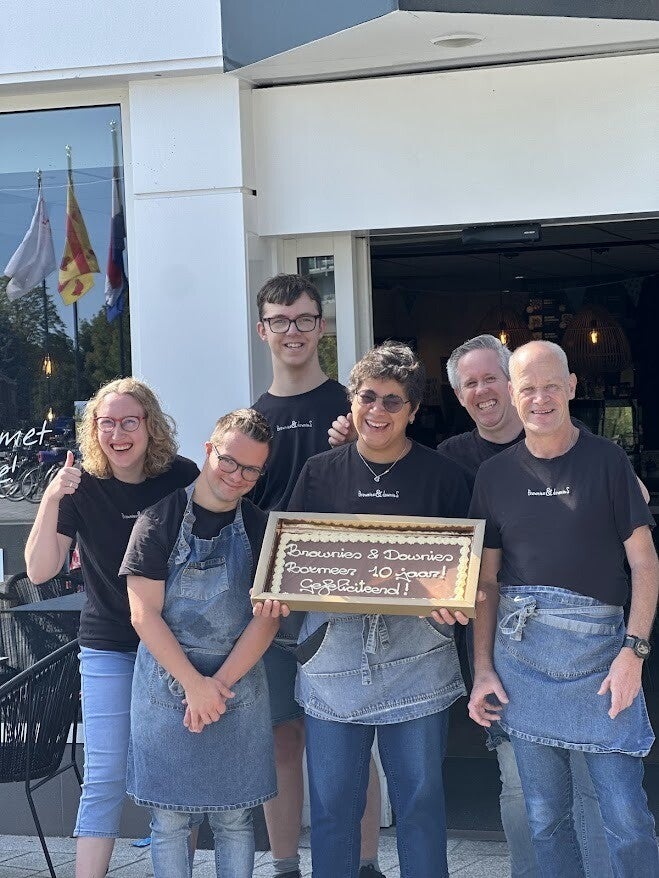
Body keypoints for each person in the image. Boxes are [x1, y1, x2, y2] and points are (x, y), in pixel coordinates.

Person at [468, 340, 659, 878]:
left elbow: (645, 563)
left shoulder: (608, 461)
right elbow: (487, 582)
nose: (540, 399)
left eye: (551, 386)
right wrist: (482, 669)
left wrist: (634, 653)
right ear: (512, 394)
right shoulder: (494, 476)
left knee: (626, 816)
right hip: (522, 662)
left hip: (604, 662)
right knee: (546, 818)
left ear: (572, 387)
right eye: (528, 388)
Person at [284, 341, 472, 878]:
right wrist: (280, 590)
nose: (378, 410)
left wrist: (457, 601)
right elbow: (292, 559)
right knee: (331, 810)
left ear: (413, 410)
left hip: (419, 659)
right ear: (352, 401)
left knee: (420, 806)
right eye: (368, 397)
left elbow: (473, 566)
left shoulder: (444, 477)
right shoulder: (319, 472)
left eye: (393, 401)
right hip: (333, 661)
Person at [441, 335, 612, 878]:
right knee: (521, 788)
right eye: (470, 383)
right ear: (459, 396)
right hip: (502, 650)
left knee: (592, 783)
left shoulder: (579, 446)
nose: (482, 391)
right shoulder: (448, 461)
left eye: (491, 377)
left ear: (512, 383)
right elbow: (436, 553)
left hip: (584, 649)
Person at [25, 377, 199, 878]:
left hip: (175, 645)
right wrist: (51, 497)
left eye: (129, 422)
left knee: (175, 775)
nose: (118, 434)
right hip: (108, 646)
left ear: (150, 425)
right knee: (104, 776)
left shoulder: (181, 477)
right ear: (93, 430)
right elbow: (39, 570)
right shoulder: (80, 485)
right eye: (106, 424)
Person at [252, 273, 383, 878]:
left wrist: (362, 447)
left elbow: (392, 491)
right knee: (283, 736)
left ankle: (365, 865)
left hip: (345, 597)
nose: (293, 331)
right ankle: (284, 866)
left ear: (321, 326)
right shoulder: (251, 420)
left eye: (304, 319)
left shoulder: (356, 409)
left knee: (351, 741)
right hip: (273, 605)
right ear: (263, 331)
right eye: (280, 321)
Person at [120, 409, 279, 878]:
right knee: (169, 820)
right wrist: (193, 685)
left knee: (235, 818)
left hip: (237, 689)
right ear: (209, 450)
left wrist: (216, 689)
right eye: (229, 461)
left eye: (251, 470)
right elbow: (143, 615)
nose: (237, 476)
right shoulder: (158, 520)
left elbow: (267, 621)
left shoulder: (262, 528)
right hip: (166, 691)